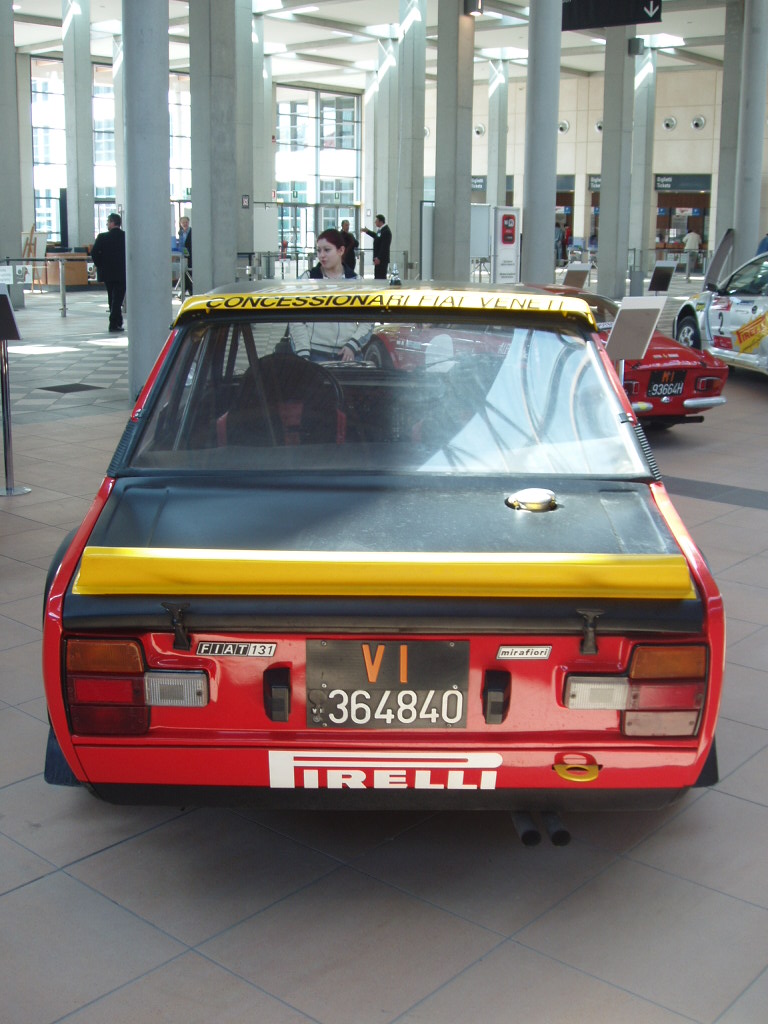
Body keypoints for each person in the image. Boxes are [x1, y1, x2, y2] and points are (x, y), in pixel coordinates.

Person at [291, 229, 368, 362]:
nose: (322, 255)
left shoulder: (356, 281)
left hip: (348, 353)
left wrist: (353, 345)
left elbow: (368, 320)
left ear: (341, 250)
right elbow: (295, 319)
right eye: (318, 250)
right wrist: (303, 353)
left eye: (327, 250)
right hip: (314, 353)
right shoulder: (307, 279)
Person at [90, 212, 126, 332]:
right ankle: (114, 322)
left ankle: (116, 321)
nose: (107, 224)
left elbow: (94, 253)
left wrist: (100, 265)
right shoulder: (126, 236)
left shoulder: (102, 237)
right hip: (122, 272)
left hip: (107, 273)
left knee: (111, 297)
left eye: (108, 222)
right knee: (118, 298)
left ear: (112, 223)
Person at [362, 214, 392, 279]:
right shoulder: (381, 230)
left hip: (382, 259)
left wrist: (379, 258)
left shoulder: (386, 231)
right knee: (377, 276)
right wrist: (367, 231)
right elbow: (377, 236)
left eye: (376, 221)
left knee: (381, 277)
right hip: (378, 259)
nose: (375, 222)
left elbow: (384, 247)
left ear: (381, 222)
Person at [177, 215, 192, 293]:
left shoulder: (192, 232)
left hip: (191, 256)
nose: (185, 224)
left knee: (189, 272)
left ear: (188, 222)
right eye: (183, 222)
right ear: (180, 223)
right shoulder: (180, 233)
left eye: (186, 222)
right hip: (183, 256)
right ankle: (185, 290)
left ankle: (188, 290)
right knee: (184, 272)